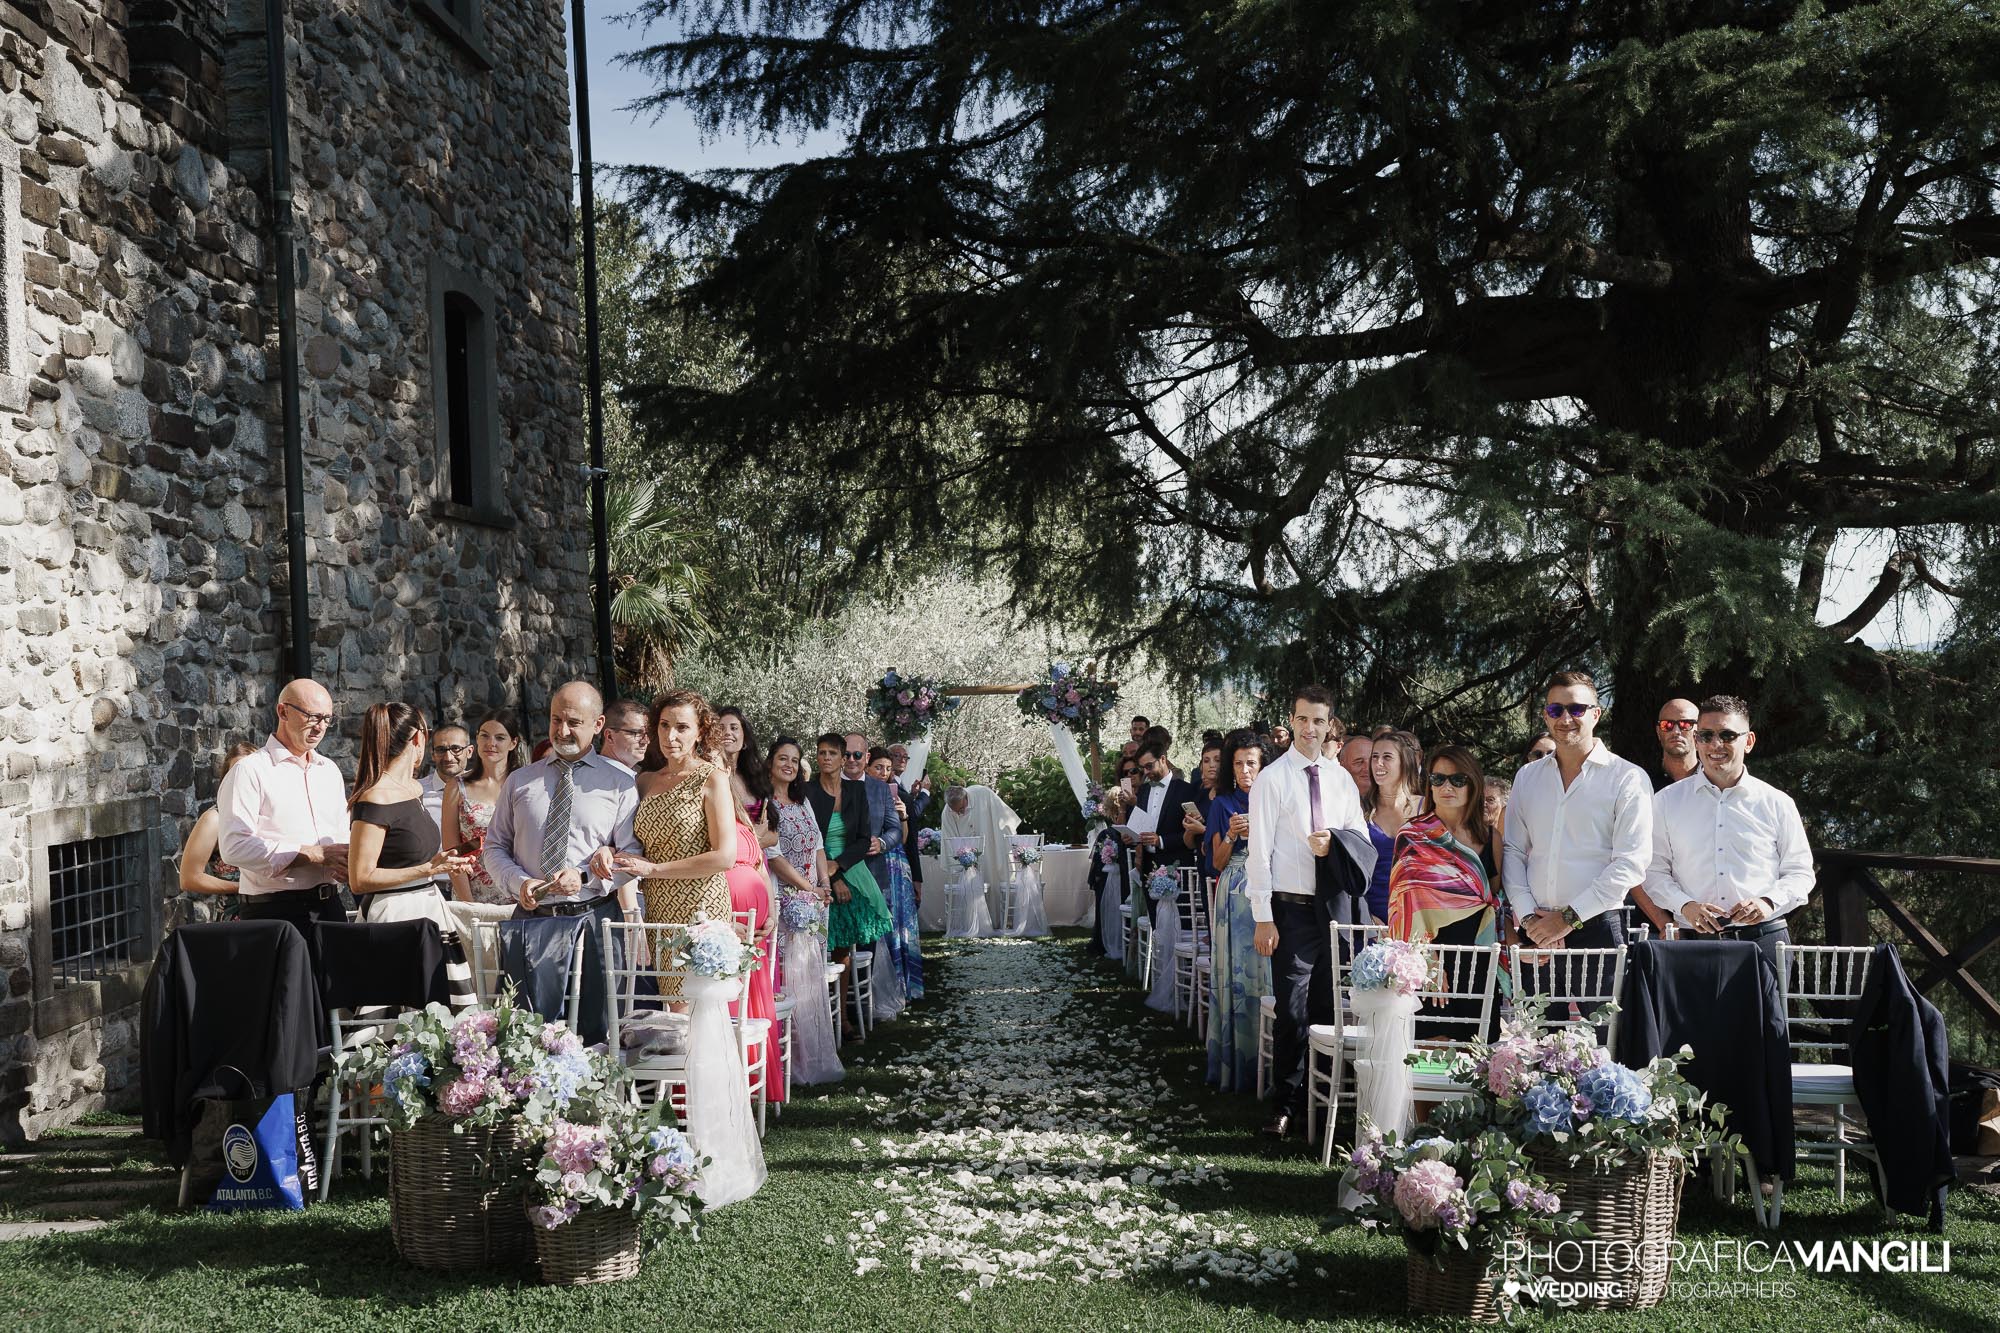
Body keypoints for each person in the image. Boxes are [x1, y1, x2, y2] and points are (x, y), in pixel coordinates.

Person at [1247, 684, 1376, 1141]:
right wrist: (1263, 915)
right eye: (1302, 719)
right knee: (1293, 1009)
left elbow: (1360, 836)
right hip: (1290, 909)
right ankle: (1284, 1104)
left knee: (1326, 1007)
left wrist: (1334, 842)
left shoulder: (1341, 778)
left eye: (1318, 721)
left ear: (1329, 725)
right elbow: (1259, 852)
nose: (1309, 728)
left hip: (1333, 906)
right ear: (1292, 720)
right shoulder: (1272, 779)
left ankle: (1318, 1108)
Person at [484, 683, 644, 1039]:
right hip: (532, 921)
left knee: (599, 1031)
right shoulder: (521, 780)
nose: (562, 730)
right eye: (556, 719)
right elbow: (494, 847)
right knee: (524, 1034)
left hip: (595, 917)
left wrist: (587, 876)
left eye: (574, 721)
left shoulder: (620, 784)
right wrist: (519, 882)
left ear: (598, 724)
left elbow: (632, 854)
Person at [1644, 695, 1814, 967]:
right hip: (1689, 943)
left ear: (1748, 741)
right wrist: (1685, 905)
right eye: (1706, 735)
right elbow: (1652, 871)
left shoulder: (1777, 802)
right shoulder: (1665, 801)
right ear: (1697, 740)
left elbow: (1801, 872)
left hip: (1762, 940)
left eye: (1727, 735)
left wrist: (1768, 902)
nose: (1715, 745)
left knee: (1762, 1012)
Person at [1501, 672, 1652, 951]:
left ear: (1596, 714)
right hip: (1535, 929)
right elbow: (1513, 850)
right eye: (1555, 710)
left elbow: (1631, 863)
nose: (1565, 718)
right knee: (1530, 998)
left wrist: (1568, 918)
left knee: (1605, 999)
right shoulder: (1526, 777)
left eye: (1576, 709)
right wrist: (1529, 918)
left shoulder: (1627, 778)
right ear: (1546, 716)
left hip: (1598, 927)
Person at [345, 702, 478, 1008]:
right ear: (419, 738)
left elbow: (411, 853)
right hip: (394, 920)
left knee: (446, 1019)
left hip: (430, 911)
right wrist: (427, 869)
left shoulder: (415, 788)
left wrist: (446, 861)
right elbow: (360, 879)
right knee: (394, 1023)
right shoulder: (375, 796)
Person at [614, 691, 737, 990]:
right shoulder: (644, 781)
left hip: (701, 906)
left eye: (682, 727)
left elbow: (725, 856)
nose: (670, 735)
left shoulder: (713, 779)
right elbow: (626, 839)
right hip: (658, 907)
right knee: (671, 1002)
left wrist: (655, 870)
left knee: (695, 1006)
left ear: (700, 732)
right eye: (664, 725)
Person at [217, 678, 351, 932]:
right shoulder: (250, 770)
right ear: (283, 711)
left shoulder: (329, 770)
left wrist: (344, 863)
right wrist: (309, 853)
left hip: (330, 906)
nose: (320, 727)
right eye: (312, 716)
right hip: (274, 911)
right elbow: (234, 846)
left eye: (326, 719)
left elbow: (342, 831)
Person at [765, 736, 843, 1084]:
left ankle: (813, 1053)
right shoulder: (766, 803)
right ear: (770, 763)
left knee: (810, 977)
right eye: (783, 758)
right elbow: (774, 856)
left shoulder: (802, 801)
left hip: (813, 901)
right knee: (786, 979)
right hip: (783, 900)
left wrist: (823, 884)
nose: (789, 765)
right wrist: (807, 888)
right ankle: (788, 1059)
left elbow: (819, 846)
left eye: (794, 761)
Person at [805, 732, 893, 1032]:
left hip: (852, 869)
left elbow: (862, 838)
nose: (826, 758)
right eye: (821, 752)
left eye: (832, 753)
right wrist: (831, 876)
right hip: (815, 871)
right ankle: (813, 1017)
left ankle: (841, 1017)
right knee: (815, 947)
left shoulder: (856, 793)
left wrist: (839, 867)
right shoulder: (807, 792)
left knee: (843, 948)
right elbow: (808, 838)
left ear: (843, 759)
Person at [1204, 729, 1274, 1093]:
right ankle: (1237, 1060)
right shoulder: (1222, 803)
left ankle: (1273, 1062)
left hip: (1268, 892)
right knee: (1235, 974)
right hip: (1233, 894)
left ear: (1263, 765)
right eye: (1239, 764)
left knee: (1267, 971)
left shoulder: (1275, 798)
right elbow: (1215, 863)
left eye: (1252, 763)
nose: (1245, 770)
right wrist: (1231, 835)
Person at [442, 711, 524, 905]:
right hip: (475, 894)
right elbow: (452, 851)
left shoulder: (526, 785)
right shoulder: (457, 786)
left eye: (500, 737)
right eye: (484, 735)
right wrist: (469, 903)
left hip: (520, 892)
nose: (491, 743)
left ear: (513, 743)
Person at [177, 743, 260, 919]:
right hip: (237, 919)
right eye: (236, 772)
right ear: (225, 778)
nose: (243, 778)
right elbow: (189, 878)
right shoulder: (215, 819)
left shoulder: (270, 815)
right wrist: (240, 887)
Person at [868, 747, 925, 1003]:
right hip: (874, 863)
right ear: (868, 767)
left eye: (887, 769)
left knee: (901, 925)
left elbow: (903, 839)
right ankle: (883, 986)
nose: (884, 773)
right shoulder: (862, 793)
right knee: (885, 926)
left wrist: (902, 816)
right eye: (879, 767)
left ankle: (905, 985)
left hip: (897, 865)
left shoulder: (899, 795)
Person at [1365, 729, 1424, 924]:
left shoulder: (1425, 809)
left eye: (1387, 757)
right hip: (1370, 919)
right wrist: (1366, 917)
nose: (1378, 763)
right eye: (1375, 757)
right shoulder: (1360, 809)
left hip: (1417, 917)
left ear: (1404, 763)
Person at [1129, 731, 1202, 878]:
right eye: (1142, 768)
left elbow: (1193, 832)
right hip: (1147, 867)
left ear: (1162, 759)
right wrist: (1132, 836)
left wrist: (1161, 841)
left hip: (1177, 866)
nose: (1145, 772)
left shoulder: (1186, 790)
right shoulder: (1143, 790)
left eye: (1149, 766)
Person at [1087, 787, 1135, 958]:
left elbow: (1096, 866)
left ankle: (1105, 937)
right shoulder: (1132, 834)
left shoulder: (1107, 834)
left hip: (1111, 880)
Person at [419, 724, 471, 834]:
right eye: (441, 750)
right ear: (432, 754)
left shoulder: (484, 788)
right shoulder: (417, 793)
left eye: (456, 749)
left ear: (469, 751)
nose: (448, 757)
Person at [1654, 697, 1700, 789]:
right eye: (1667, 725)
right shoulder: (1643, 782)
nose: (1676, 731)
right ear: (1658, 732)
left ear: (1700, 731)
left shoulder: (1714, 782)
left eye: (1685, 724)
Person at [599, 698, 651, 773]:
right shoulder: (592, 778)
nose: (646, 741)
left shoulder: (644, 779)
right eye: (636, 733)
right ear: (609, 736)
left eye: (648, 733)